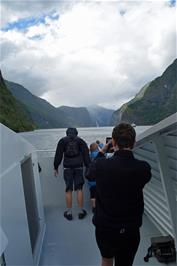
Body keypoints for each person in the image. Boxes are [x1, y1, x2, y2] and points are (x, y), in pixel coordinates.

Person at [86, 123, 151, 266]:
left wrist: (102, 152)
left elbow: (89, 174)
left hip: (105, 227)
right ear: (133, 143)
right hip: (130, 228)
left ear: (113, 142)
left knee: (106, 260)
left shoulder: (101, 165)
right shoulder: (144, 168)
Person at [54, 127, 90, 221]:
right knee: (79, 189)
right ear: (76, 133)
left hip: (67, 168)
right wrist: (88, 167)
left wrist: (56, 166)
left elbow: (58, 155)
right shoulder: (81, 141)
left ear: (67, 133)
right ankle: (81, 212)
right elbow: (86, 154)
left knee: (68, 189)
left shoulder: (62, 141)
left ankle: (69, 213)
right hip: (78, 167)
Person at [87, 142, 99, 213]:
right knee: (100, 193)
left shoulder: (89, 156)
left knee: (93, 194)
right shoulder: (101, 155)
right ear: (97, 148)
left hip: (91, 180)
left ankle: (94, 208)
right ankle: (100, 207)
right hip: (99, 180)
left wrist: (89, 150)